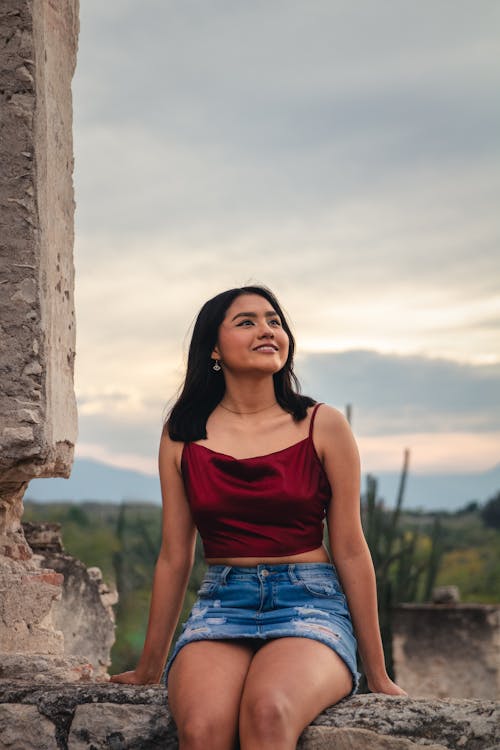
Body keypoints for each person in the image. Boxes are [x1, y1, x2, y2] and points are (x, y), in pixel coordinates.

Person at [111, 285, 406, 749]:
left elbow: (350, 547)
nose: (267, 330)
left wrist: (379, 672)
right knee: (202, 729)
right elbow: (173, 556)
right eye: (246, 322)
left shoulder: (321, 424)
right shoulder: (183, 434)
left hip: (309, 602)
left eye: (274, 320)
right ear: (213, 347)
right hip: (223, 604)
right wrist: (150, 665)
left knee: (268, 712)